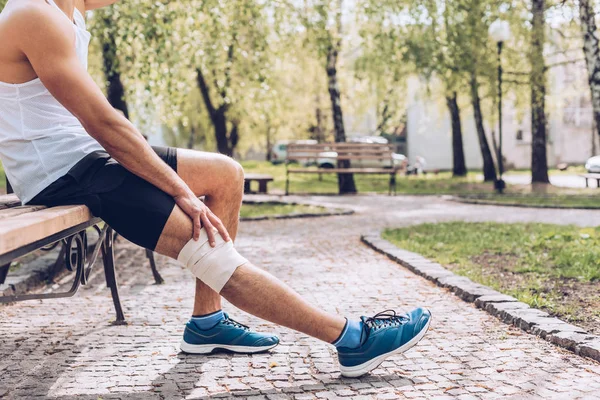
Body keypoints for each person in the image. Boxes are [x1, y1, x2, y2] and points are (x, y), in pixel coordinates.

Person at [0, 0, 431, 377]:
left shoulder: (66, 9)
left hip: (85, 155)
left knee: (226, 173)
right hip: (64, 172)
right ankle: (353, 340)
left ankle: (207, 323)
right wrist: (180, 191)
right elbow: (105, 124)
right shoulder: (34, 14)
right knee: (210, 251)